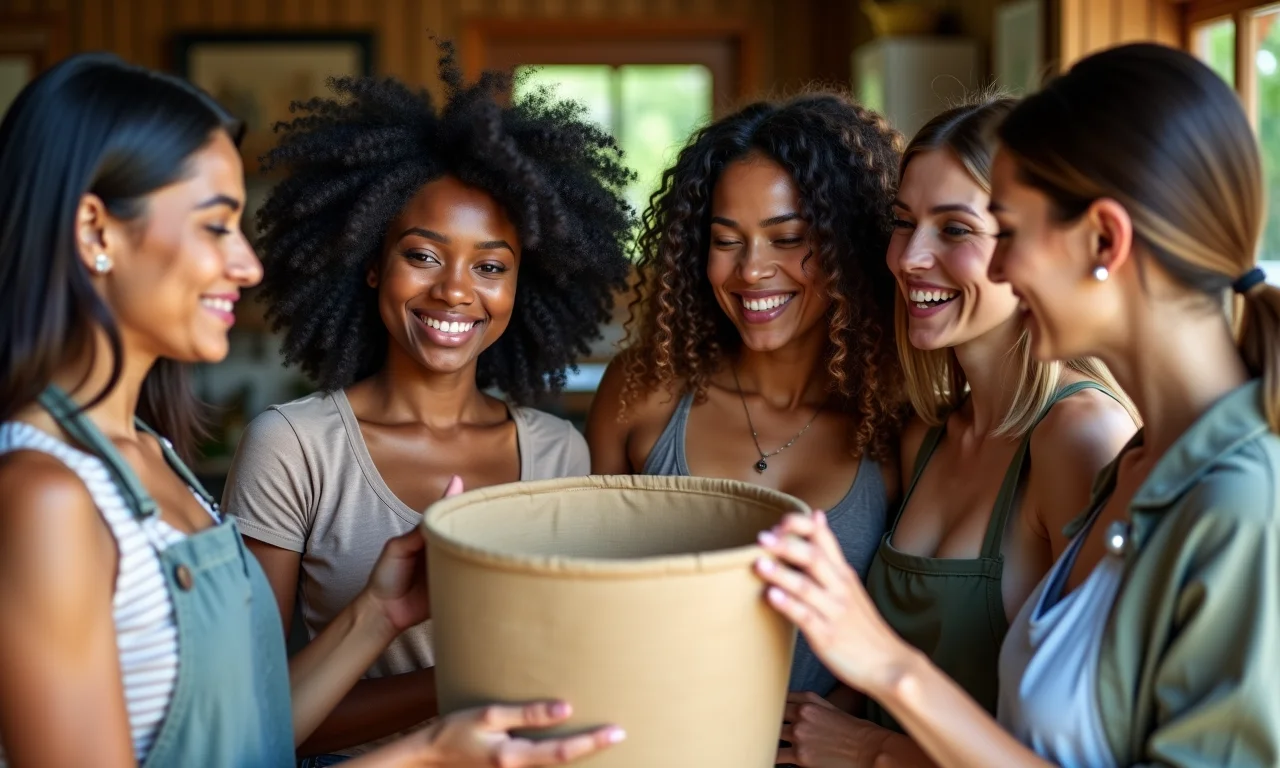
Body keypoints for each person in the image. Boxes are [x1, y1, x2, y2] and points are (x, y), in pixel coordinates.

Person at [0, 52, 623, 768]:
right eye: (215, 226)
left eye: (490, 265)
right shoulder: (46, 493)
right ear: (96, 231)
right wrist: (424, 756)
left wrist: (376, 615)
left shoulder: (149, 455)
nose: (249, 265)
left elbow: (254, 731)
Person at [755, 43, 1280, 767]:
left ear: (1105, 239)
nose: (1000, 267)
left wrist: (891, 675)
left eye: (1010, 231)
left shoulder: (1240, 497)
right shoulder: (1139, 466)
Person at [221, 44, 634, 761]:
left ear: (519, 287)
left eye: (491, 266)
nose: (454, 290)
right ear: (372, 263)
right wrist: (473, 688)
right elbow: (251, 718)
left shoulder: (557, 452)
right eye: (423, 254)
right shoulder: (294, 447)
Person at [776, 97, 1138, 766]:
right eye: (903, 222)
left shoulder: (1080, 440)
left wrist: (873, 752)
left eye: (955, 229)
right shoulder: (926, 436)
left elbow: (1098, 749)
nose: (909, 258)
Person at [587, 92, 907, 700]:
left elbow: (908, 629)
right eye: (727, 240)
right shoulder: (641, 392)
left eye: (787, 238)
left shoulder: (896, 419)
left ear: (848, 246)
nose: (751, 270)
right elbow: (584, 597)